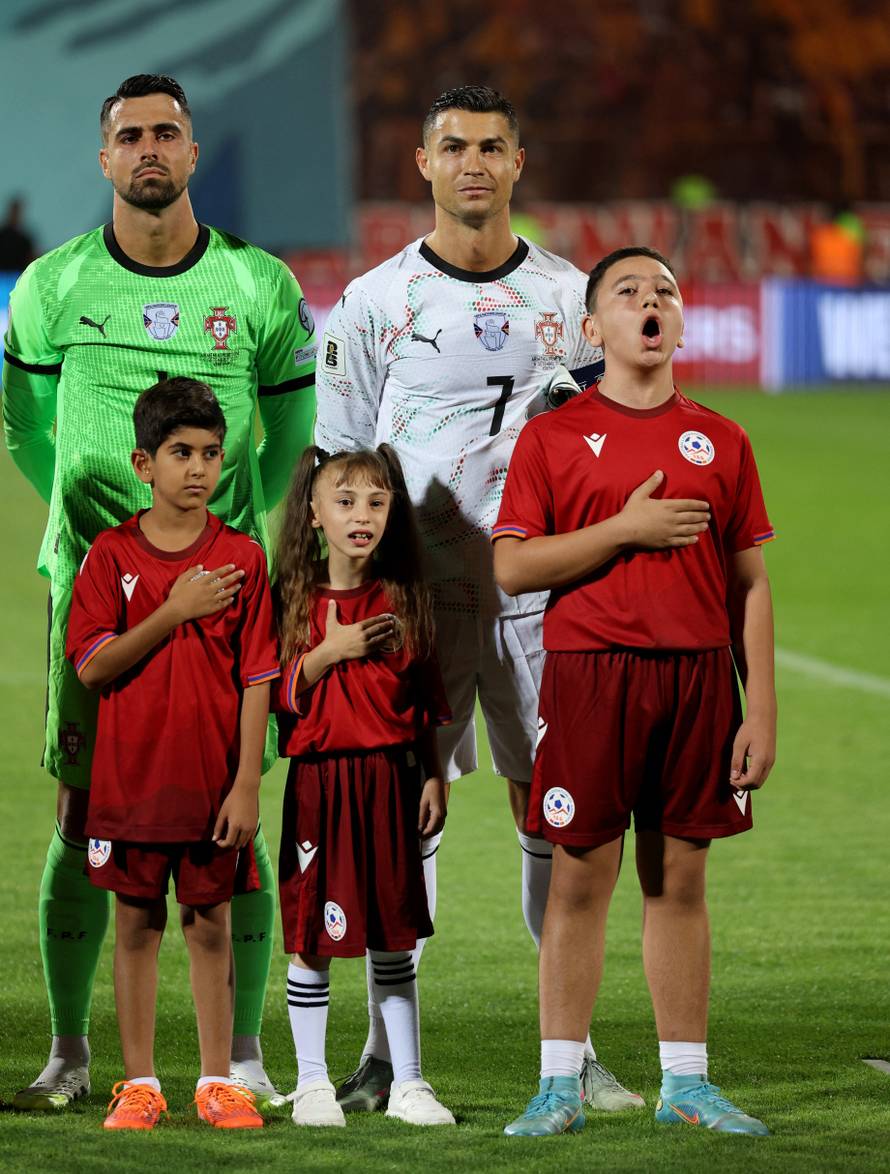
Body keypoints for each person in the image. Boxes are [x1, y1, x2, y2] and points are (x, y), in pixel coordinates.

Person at [315, 84, 639, 1114]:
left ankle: (571, 1050)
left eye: (489, 147)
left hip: (547, 594)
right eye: (451, 146)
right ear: (420, 164)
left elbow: (609, 443)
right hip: (414, 598)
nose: (470, 163)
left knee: (556, 804)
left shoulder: (567, 296)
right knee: (399, 811)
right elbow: (338, 464)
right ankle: (382, 1050)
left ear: (517, 161)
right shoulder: (373, 302)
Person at [2, 73, 316, 1109]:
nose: (148, 149)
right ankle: (71, 1048)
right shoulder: (50, 284)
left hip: (223, 590)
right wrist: (98, 528)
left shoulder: (256, 285)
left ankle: (246, 1052)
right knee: (80, 809)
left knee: (234, 813)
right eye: (128, 135)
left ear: (190, 153)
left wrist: (222, 539)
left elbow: (288, 441)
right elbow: (27, 427)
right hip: (92, 586)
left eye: (166, 134)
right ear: (104, 159)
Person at [494, 247, 776, 1137]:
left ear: (680, 322)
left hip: (697, 680)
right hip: (588, 679)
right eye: (628, 293)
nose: (650, 303)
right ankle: (557, 1084)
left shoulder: (723, 437)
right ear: (593, 329)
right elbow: (511, 566)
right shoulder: (553, 437)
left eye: (665, 292)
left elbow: (750, 584)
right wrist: (624, 530)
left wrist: (758, 706)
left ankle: (685, 1084)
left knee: (679, 881)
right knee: (581, 881)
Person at [66, 378, 279, 1130]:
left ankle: (218, 1082)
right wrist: (173, 611)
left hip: (213, 785)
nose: (197, 468)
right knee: (135, 924)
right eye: (180, 452)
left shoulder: (244, 559)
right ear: (142, 462)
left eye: (212, 453)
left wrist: (248, 781)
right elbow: (92, 666)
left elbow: (259, 676)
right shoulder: (110, 554)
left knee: (210, 923)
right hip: (130, 786)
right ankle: (141, 1084)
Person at [274, 445, 454, 1127]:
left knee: (394, 936)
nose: (362, 516)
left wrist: (434, 772)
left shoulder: (405, 595)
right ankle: (314, 1082)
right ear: (315, 514)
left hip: (391, 782)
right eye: (345, 502)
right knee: (313, 938)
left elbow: (425, 695)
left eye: (377, 503)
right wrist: (329, 653)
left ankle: (409, 1082)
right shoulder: (292, 595)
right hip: (321, 785)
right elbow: (273, 696)